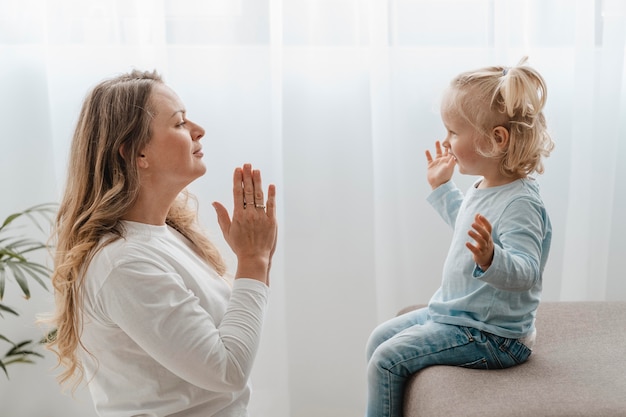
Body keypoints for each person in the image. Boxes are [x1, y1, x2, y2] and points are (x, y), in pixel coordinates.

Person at [45, 69, 278, 417]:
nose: (198, 130)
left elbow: (229, 334)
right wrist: (253, 260)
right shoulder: (124, 264)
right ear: (137, 154)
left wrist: (258, 259)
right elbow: (227, 372)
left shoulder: (165, 236)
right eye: (180, 122)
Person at [365, 57, 554, 417]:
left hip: (493, 336)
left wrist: (492, 258)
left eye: (453, 131)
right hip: (457, 315)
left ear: (495, 140)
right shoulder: (484, 186)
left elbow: (527, 270)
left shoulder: (521, 204)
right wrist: (443, 189)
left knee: (387, 360)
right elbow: (468, 230)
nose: (445, 140)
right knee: (378, 339)